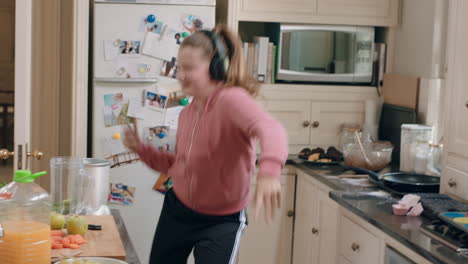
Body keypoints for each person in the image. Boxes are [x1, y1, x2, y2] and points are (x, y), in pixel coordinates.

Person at [122, 24, 288, 264]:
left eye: (189, 68)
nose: (179, 75)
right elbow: (179, 165)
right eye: (179, 67)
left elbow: (271, 129)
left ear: (215, 67)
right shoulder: (187, 113)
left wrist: (270, 172)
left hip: (221, 222)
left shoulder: (232, 100)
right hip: (177, 211)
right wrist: (142, 150)